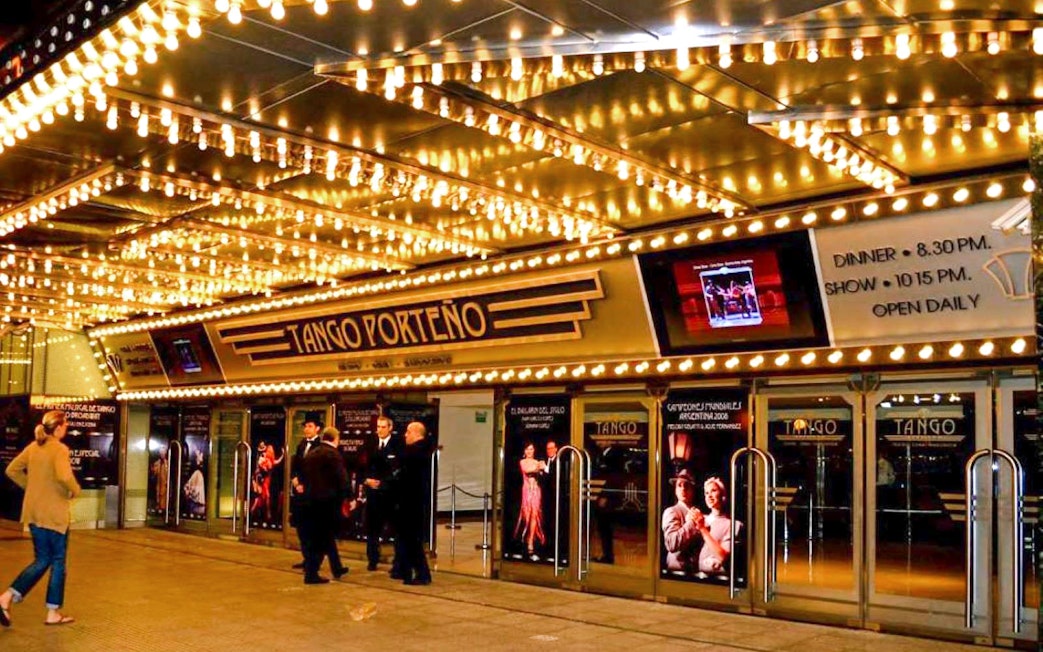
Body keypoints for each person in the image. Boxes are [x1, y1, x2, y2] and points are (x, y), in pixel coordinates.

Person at [0, 410, 81, 627]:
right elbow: (64, 476)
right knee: (57, 563)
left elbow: (11, 469)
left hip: (34, 512)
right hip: (54, 514)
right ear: (57, 428)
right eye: (65, 425)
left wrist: (32, 487)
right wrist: (75, 490)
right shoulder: (60, 449)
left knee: (42, 559)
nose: (67, 429)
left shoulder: (34, 447)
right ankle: (52, 613)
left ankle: (6, 598)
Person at [300, 426, 349, 585]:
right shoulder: (333, 455)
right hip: (327, 502)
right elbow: (342, 479)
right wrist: (348, 498)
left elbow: (304, 476)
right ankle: (311, 572)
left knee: (324, 536)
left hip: (310, 501)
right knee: (322, 538)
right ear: (336, 439)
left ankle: (336, 567)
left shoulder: (312, 453)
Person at [392, 421, 433, 585]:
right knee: (406, 538)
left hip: (410, 503)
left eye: (408, 432)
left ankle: (422, 573)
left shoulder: (414, 454)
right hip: (413, 502)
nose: (405, 435)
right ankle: (404, 569)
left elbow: (404, 478)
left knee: (411, 539)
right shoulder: (421, 452)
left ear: (417, 434)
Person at [363, 416, 400, 572]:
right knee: (372, 529)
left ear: (390, 428)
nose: (380, 430)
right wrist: (366, 480)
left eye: (383, 427)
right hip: (372, 495)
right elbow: (361, 465)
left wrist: (383, 483)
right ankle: (372, 559)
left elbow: (398, 470)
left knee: (395, 529)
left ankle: (398, 562)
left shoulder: (397, 445)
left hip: (390, 496)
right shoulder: (370, 444)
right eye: (378, 426)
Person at [290, 413, 323, 570]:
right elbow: (296, 465)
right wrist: (295, 479)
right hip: (299, 493)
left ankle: (312, 559)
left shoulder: (320, 446)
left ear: (317, 429)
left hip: (311, 493)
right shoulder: (301, 444)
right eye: (305, 426)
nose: (307, 429)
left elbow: (317, 471)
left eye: (310, 426)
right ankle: (306, 557)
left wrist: (306, 484)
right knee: (301, 527)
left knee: (311, 528)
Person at [693, 476, 739, 575]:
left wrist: (702, 529)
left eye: (713, 491)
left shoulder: (733, 525)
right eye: (706, 493)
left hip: (717, 582)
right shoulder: (700, 519)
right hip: (696, 579)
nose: (709, 495)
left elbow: (723, 557)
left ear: (723, 495)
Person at [661, 469, 701, 574]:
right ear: (675, 490)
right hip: (678, 572)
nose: (683, 488)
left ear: (692, 489)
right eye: (679, 485)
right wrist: (691, 523)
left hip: (696, 573)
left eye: (687, 485)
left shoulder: (698, 513)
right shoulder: (672, 511)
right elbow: (671, 544)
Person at [513, 441, 547, 559]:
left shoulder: (537, 462)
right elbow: (528, 471)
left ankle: (531, 540)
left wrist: (542, 468)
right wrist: (539, 467)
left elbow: (544, 473)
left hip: (536, 491)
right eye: (527, 449)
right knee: (526, 516)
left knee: (534, 516)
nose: (529, 451)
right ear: (524, 451)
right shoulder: (523, 462)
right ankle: (525, 538)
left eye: (531, 449)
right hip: (527, 491)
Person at [183, 448, 206, 518]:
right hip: (196, 503)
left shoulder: (199, 473)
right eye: (199, 454)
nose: (200, 455)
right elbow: (190, 487)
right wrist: (189, 492)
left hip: (198, 503)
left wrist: (188, 492)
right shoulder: (196, 473)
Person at [151, 446, 169, 513]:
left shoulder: (168, 463)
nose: (162, 454)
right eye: (161, 453)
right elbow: (154, 474)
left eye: (163, 453)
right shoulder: (156, 463)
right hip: (158, 486)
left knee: (164, 502)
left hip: (165, 487)